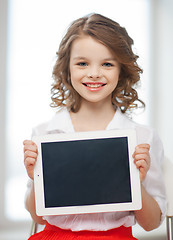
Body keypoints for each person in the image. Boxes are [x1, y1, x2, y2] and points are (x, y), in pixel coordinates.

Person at [23, 13, 166, 240]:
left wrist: (134, 183)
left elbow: (151, 224)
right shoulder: (45, 134)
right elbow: (38, 217)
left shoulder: (143, 137)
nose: (94, 73)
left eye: (107, 64)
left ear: (122, 70)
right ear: (67, 69)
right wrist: (35, 176)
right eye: (82, 63)